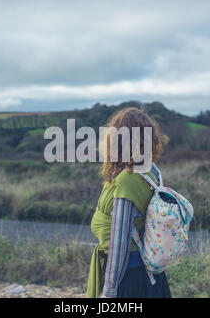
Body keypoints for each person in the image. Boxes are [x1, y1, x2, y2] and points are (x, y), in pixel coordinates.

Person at [86, 107, 171, 298]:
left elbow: (119, 243)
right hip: (147, 273)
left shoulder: (128, 179)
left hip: (130, 277)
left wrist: (109, 291)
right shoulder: (151, 170)